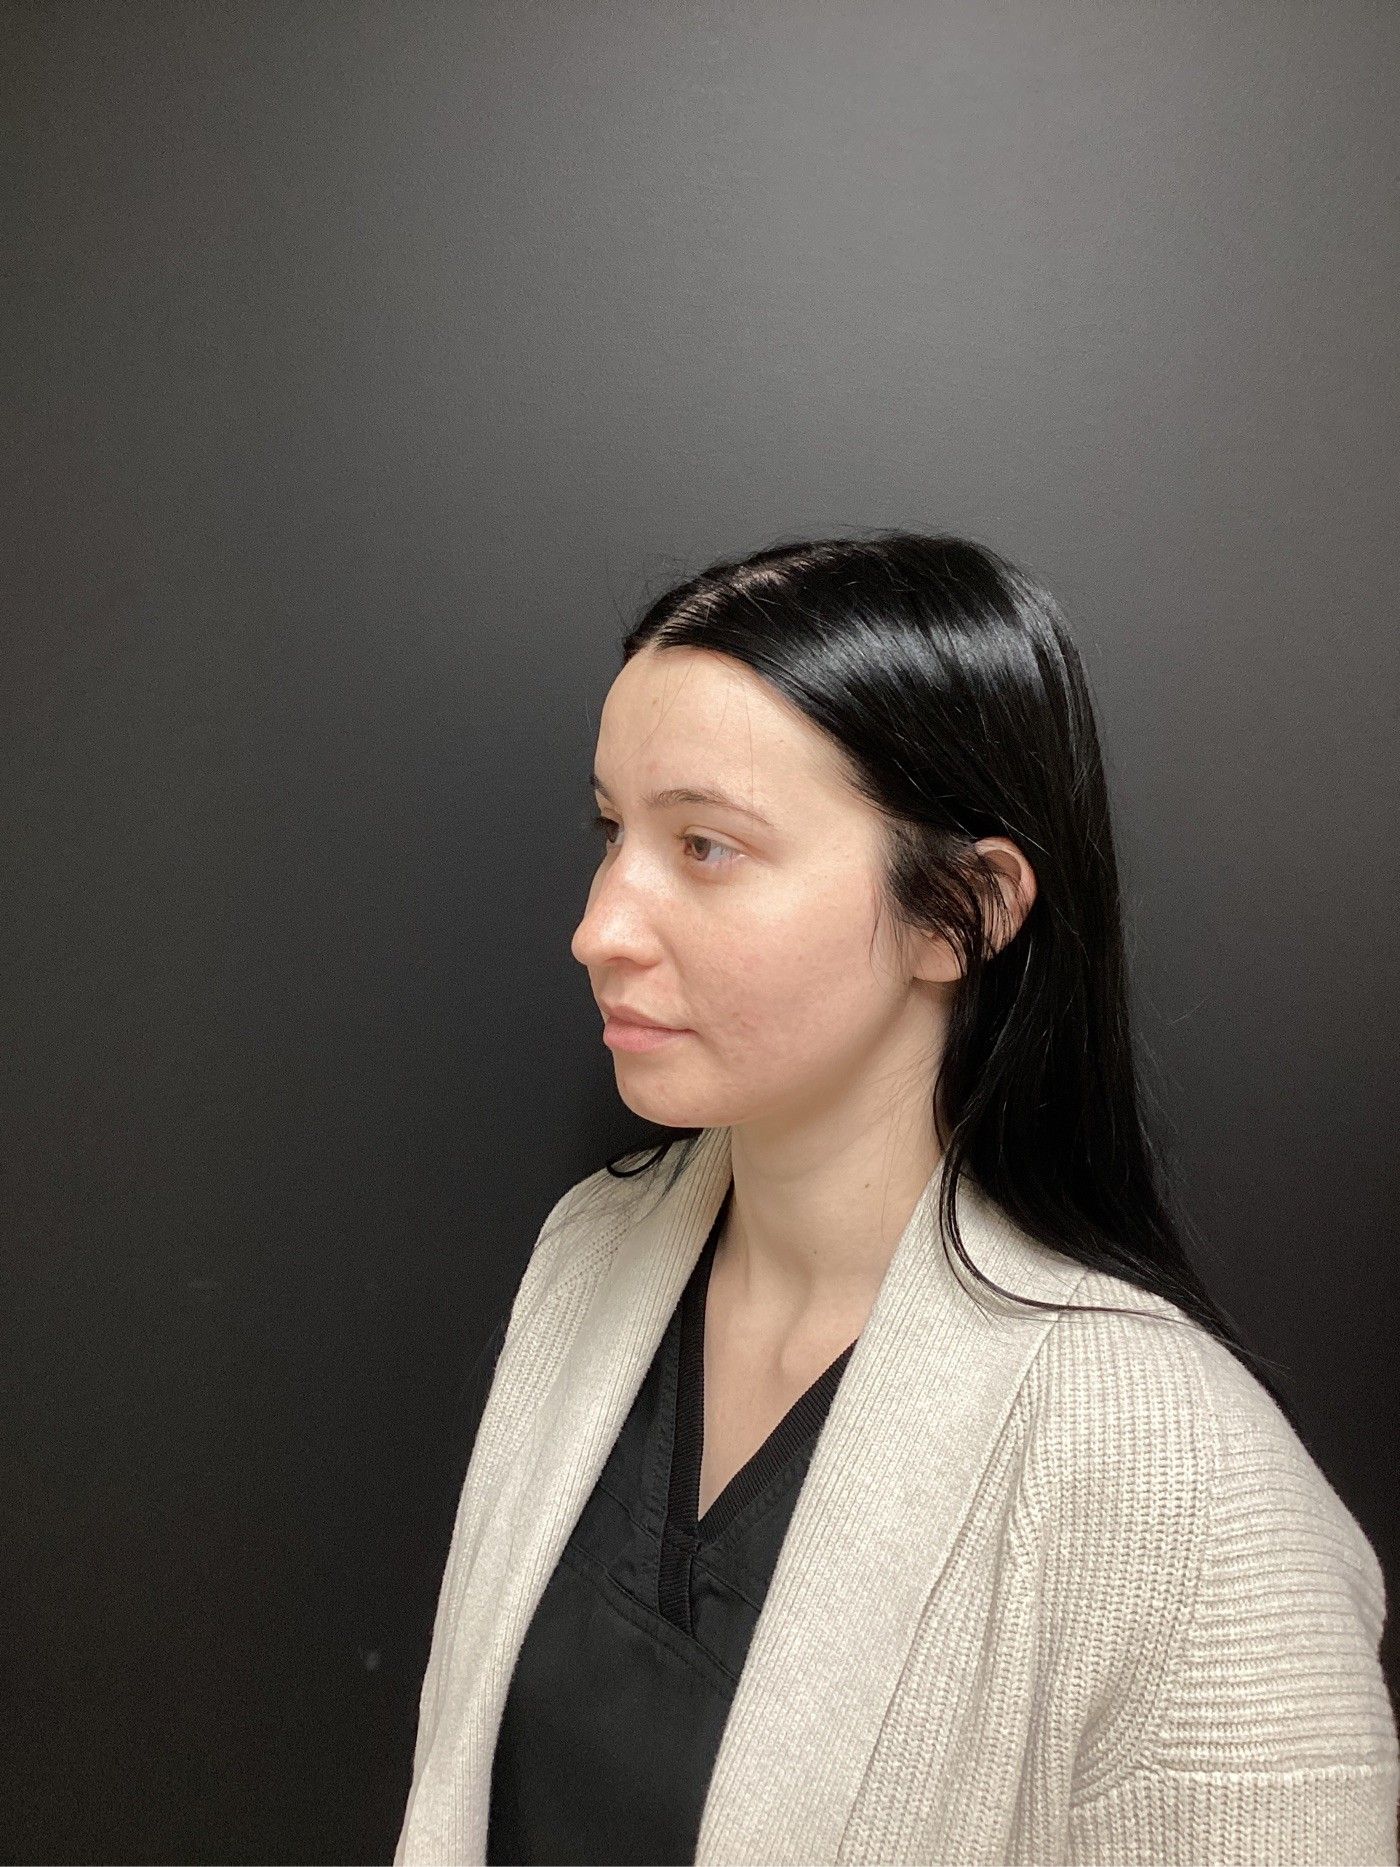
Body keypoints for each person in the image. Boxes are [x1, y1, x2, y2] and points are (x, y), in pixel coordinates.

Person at [396, 531, 1398, 1865]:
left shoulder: (1192, 1496)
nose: (601, 925)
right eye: (612, 831)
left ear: (965, 913)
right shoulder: (591, 1260)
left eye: (705, 845)